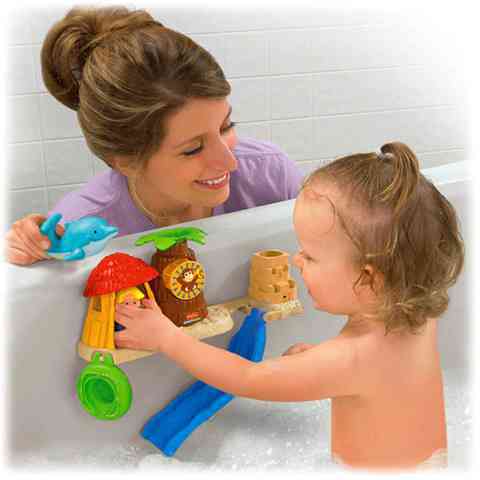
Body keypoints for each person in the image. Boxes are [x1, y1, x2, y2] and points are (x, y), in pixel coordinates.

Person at [114, 142, 464, 471]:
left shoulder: (352, 358)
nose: (297, 260)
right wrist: (321, 361)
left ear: (369, 279)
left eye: (310, 256)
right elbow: (386, 376)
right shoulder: (418, 317)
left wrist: (167, 339)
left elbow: (247, 377)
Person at [5, 6, 302, 266]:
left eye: (226, 126)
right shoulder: (83, 227)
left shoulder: (270, 175)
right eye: (192, 149)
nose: (230, 162)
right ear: (125, 161)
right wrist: (28, 253)